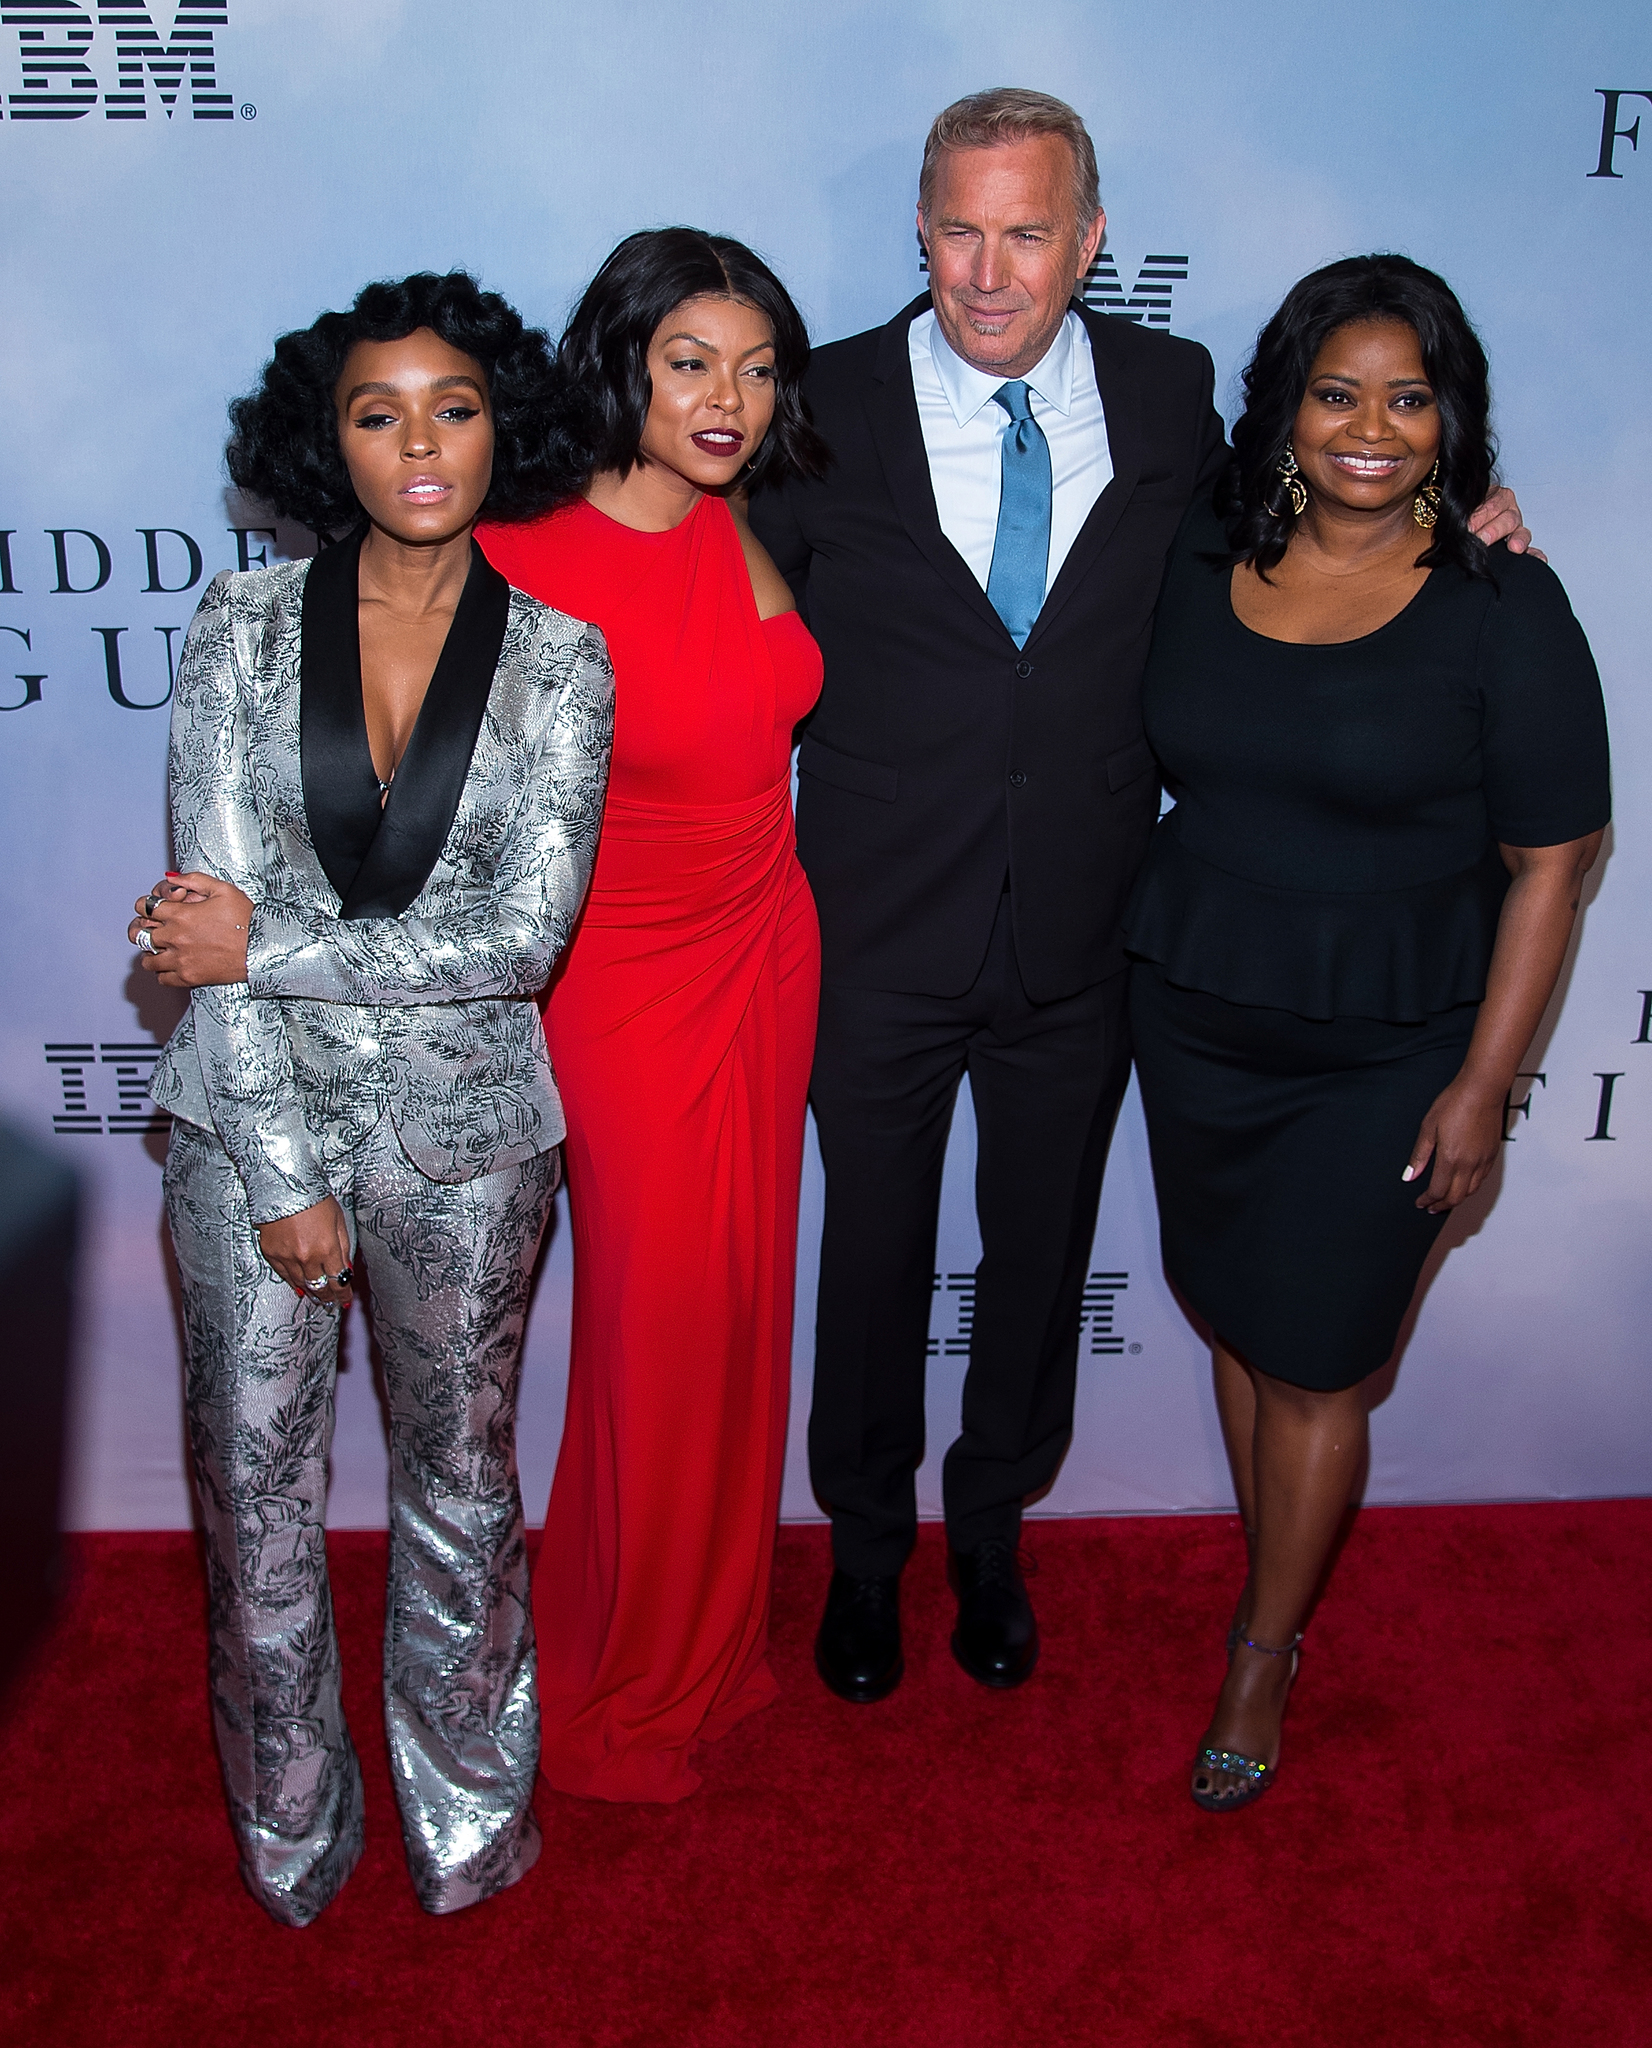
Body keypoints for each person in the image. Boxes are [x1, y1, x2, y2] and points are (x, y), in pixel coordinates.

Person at [749, 87, 1537, 1704]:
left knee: (1037, 1263)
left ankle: (990, 1540)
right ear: (920, 228)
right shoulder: (816, 401)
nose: (988, 270)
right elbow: (705, 569)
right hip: (875, 927)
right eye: (959, 229)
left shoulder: (1174, 395)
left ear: (1088, 240)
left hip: (1093, 927)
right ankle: (869, 1549)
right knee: (875, 1257)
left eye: (1026, 231)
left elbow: (1335, 496)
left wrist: (1473, 514)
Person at [127, 273, 613, 1921]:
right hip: (241, 1134)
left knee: (463, 1498)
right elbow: (198, 932)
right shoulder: (236, 629)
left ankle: (468, 1821)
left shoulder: (562, 661)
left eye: (455, 405)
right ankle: (289, 1831)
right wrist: (277, 1174)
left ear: (504, 429)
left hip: (472, 1147)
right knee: (254, 1503)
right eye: (377, 409)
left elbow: (519, 940)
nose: (420, 441)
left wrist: (272, 942)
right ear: (324, 441)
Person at [1124, 254, 1609, 1809]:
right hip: (1198, 1015)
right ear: (1287, 411)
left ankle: (1264, 1654)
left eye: (1411, 399)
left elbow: (1558, 862)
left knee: (1323, 1363)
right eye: (1339, 394)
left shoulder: (1504, 606)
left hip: (1395, 1047)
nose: (1372, 429)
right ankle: (1276, 1576)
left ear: (1453, 420)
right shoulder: (1207, 539)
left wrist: (1486, 1089)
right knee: (1244, 1322)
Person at [479, 230, 829, 1801]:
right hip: (624, 982)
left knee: (744, 1315)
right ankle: (626, 1677)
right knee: (657, 1328)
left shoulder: (726, 507)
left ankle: (708, 1637)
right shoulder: (516, 558)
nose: (729, 399)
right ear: (618, 360)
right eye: (691, 363)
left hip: (770, 944)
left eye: (756, 369)